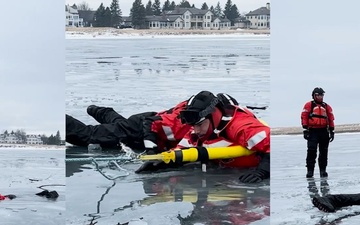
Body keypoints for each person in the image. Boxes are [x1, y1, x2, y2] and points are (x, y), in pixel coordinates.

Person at [136, 91, 270, 184]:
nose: (196, 130)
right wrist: (159, 163)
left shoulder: (240, 126)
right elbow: (181, 151)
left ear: (213, 116)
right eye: (193, 126)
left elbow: (272, 145)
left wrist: (262, 172)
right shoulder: (198, 131)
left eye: (199, 125)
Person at [66, 100, 191, 153]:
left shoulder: (204, 122)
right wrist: (151, 149)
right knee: (88, 136)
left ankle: (101, 112)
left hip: (140, 131)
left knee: (119, 126)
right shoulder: (181, 121)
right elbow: (150, 123)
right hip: (139, 128)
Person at [301, 87, 335, 178]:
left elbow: (331, 118)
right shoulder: (309, 105)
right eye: (318, 95)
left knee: (324, 152)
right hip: (312, 132)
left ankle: (323, 171)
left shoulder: (326, 106)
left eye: (322, 95)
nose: (320, 97)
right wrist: (305, 130)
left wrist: (332, 131)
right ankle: (310, 171)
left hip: (324, 131)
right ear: (314, 95)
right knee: (311, 151)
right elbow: (304, 116)